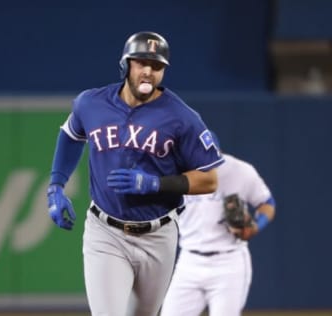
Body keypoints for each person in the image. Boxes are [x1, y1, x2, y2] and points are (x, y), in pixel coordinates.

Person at [46, 31, 224, 316]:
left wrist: (156, 184)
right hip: (105, 232)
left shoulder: (182, 117)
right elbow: (70, 134)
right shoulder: (91, 104)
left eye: (156, 66)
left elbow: (209, 179)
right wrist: (56, 185)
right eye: (141, 62)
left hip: (159, 234)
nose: (148, 72)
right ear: (126, 64)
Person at [160, 131, 276, 316]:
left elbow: (267, 203)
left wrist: (255, 226)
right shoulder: (179, 174)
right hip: (189, 261)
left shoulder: (240, 171)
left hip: (228, 262)